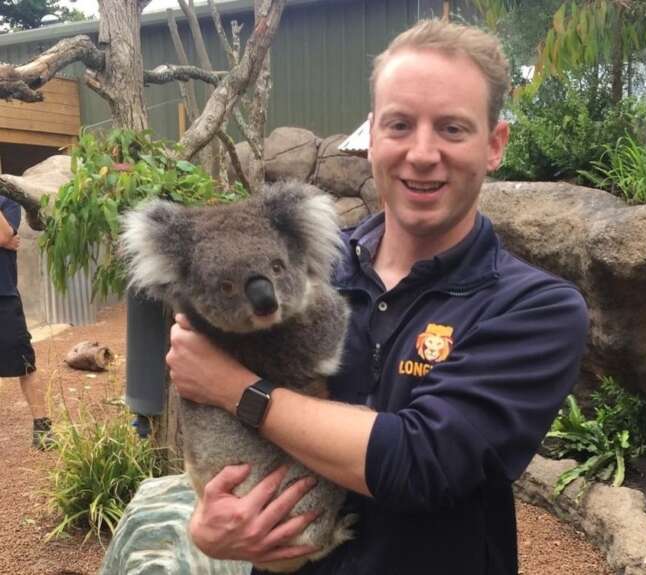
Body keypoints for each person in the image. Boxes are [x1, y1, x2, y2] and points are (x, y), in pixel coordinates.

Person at [167, 19, 589, 575]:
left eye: (452, 129)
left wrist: (237, 389)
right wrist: (209, 528)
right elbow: (202, 415)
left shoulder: (534, 308)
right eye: (400, 124)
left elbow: (422, 462)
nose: (421, 153)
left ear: (494, 145)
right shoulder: (303, 272)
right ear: (372, 135)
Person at [0, 196, 52, 450]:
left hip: (4, 296)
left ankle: (42, 426)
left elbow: (3, 236)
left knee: (24, 362)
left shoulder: (6, 202)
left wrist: (7, 239)